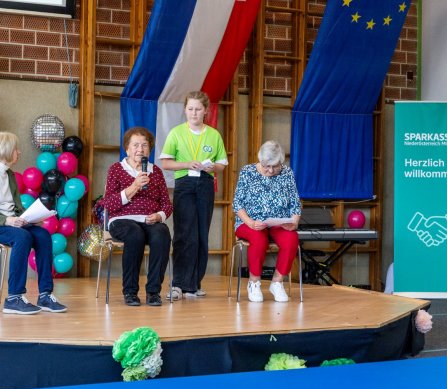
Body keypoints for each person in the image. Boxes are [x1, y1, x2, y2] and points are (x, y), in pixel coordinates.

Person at [0, 131, 67, 314]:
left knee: (43, 235)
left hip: (9, 224)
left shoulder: (10, 175)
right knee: (22, 237)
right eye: (16, 149)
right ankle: (14, 298)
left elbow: (16, 208)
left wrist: (32, 218)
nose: (19, 152)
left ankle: (45, 295)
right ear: (5, 150)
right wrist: (7, 220)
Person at [160, 91, 228, 299]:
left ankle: (194, 283)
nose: (194, 113)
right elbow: (166, 163)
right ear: (185, 109)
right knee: (184, 233)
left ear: (206, 111)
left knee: (201, 234)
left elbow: (222, 164)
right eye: (190, 108)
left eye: (198, 109)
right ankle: (178, 284)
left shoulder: (214, 135)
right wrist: (187, 164)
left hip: (205, 184)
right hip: (185, 184)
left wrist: (212, 167)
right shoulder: (176, 133)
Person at [102, 127, 172, 306]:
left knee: (162, 233)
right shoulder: (116, 169)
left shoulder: (156, 172)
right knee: (135, 234)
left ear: (149, 150)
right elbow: (108, 203)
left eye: (144, 145)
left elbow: (166, 204)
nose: (140, 149)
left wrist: (159, 215)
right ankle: (130, 292)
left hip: (149, 220)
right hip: (121, 221)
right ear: (127, 149)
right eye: (135, 145)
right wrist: (133, 187)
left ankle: (153, 292)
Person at [232, 140, 301, 303]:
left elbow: (295, 203)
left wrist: (294, 222)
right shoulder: (247, 172)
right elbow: (237, 204)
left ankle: (277, 282)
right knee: (258, 238)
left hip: (279, 223)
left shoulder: (287, 173)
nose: (270, 170)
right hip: (249, 223)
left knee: (292, 239)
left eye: (275, 166)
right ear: (260, 160)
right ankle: (254, 282)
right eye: (266, 166)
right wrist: (250, 222)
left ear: (281, 162)